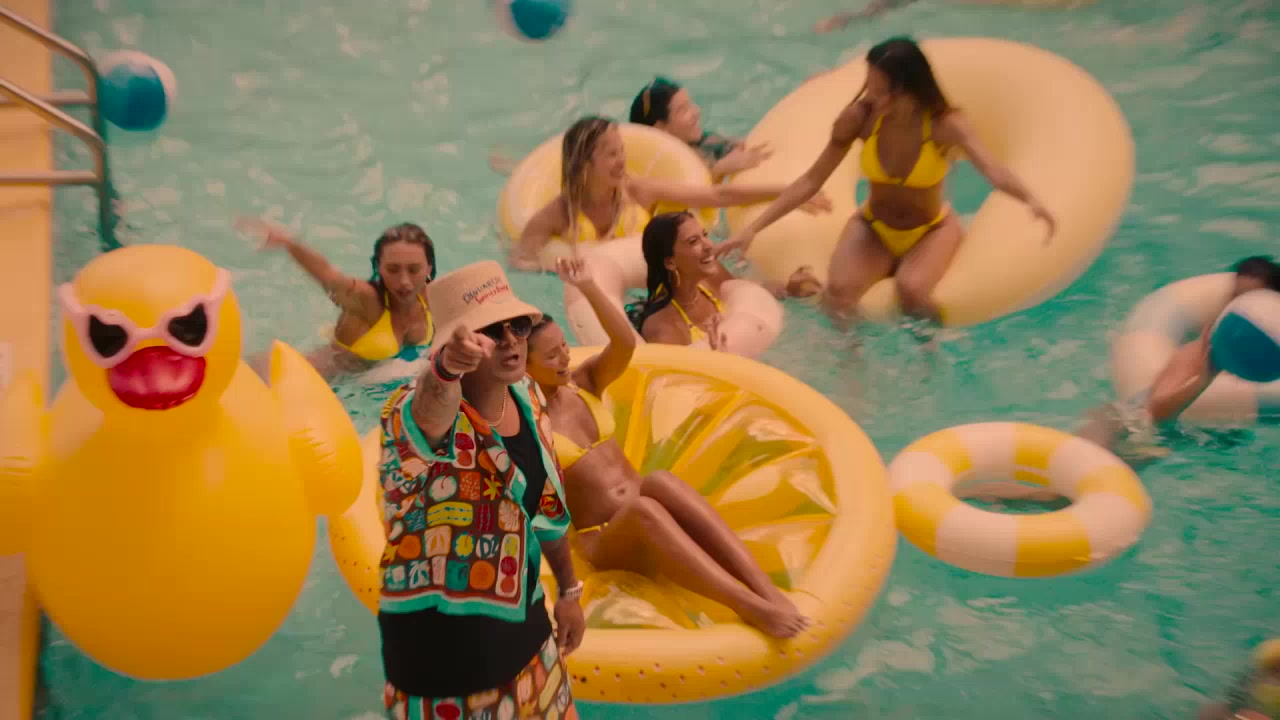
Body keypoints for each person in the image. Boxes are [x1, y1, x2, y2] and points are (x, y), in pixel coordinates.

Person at [525, 256, 809, 638]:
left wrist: (589, 286)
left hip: (647, 510)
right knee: (643, 507)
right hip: (604, 539)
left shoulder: (584, 382)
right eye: (551, 355)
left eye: (563, 346)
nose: (564, 358)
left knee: (658, 480)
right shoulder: (529, 423)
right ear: (524, 366)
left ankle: (765, 590)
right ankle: (748, 605)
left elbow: (625, 342)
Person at [716, 37, 1056, 326]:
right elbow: (811, 180)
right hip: (873, 228)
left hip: (930, 230)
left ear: (906, 90)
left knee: (913, 292)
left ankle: (929, 364)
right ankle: (852, 371)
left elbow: (993, 169)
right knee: (838, 294)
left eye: (879, 90)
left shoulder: (943, 125)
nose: (869, 96)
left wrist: (1032, 201)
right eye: (869, 86)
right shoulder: (860, 119)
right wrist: (753, 228)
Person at [376, 260, 585, 719]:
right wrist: (447, 369)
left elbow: (546, 510)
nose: (510, 340)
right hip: (444, 663)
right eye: (491, 330)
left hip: (528, 637)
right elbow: (431, 408)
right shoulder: (409, 415)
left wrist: (569, 592)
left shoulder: (527, 396)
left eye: (518, 325)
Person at [510, 115, 830, 299]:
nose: (621, 160)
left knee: (709, 270)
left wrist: (786, 191)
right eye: (610, 154)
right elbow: (521, 261)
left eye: (621, 151)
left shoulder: (635, 190)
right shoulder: (559, 213)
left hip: (665, 283)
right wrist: (557, 265)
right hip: (615, 297)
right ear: (584, 165)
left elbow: (716, 196)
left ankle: (785, 289)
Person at [1078, 256, 1280, 449]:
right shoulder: (1204, 350)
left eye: (1249, 300)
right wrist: (1203, 379)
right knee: (1113, 423)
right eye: (1235, 297)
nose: (1238, 308)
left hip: (1230, 442)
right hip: (1182, 437)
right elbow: (1153, 411)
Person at [236, 218, 436, 378]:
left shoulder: (429, 295)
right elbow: (329, 276)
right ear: (378, 268)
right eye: (392, 269)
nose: (404, 281)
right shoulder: (367, 301)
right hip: (312, 377)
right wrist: (288, 243)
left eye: (414, 269)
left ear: (428, 268)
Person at [629, 76, 772, 182]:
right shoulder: (650, 168)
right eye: (683, 110)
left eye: (690, 104)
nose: (696, 112)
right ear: (660, 128)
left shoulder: (703, 142)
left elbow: (741, 146)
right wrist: (719, 169)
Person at [636, 211, 741, 349]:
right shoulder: (662, 328)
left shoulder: (713, 276)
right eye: (693, 241)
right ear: (670, 262)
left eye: (705, 235)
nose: (709, 245)